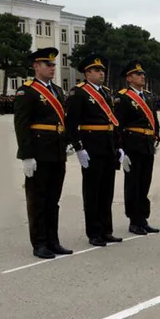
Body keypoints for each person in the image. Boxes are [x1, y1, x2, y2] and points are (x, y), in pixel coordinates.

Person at [13, 48, 72, 259]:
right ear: (36, 66)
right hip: (38, 152)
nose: (52, 68)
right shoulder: (27, 91)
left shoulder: (57, 90)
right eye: (47, 64)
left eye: (54, 64)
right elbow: (21, 125)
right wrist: (26, 155)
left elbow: (62, 121)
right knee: (38, 199)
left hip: (56, 152)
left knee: (53, 200)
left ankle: (53, 241)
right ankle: (39, 243)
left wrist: (67, 143)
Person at [66, 54, 129, 247]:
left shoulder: (107, 92)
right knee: (92, 192)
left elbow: (113, 123)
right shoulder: (79, 93)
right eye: (97, 70)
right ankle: (94, 232)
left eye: (102, 70)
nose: (101, 73)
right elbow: (71, 123)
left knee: (106, 191)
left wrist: (118, 147)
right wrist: (78, 148)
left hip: (108, 147)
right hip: (91, 147)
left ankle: (106, 229)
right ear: (87, 73)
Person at [114, 60, 160, 236]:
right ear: (129, 78)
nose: (142, 77)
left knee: (144, 183)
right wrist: (120, 149)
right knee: (133, 184)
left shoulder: (148, 96)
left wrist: (155, 137)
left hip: (147, 144)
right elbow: (118, 125)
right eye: (138, 74)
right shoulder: (123, 97)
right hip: (132, 145)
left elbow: (154, 120)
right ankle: (134, 220)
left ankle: (143, 218)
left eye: (143, 74)